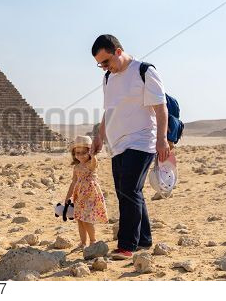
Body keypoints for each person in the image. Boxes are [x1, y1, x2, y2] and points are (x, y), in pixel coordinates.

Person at [89, 34, 170, 260]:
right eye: (100, 64)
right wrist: (99, 137)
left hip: (142, 140)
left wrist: (162, 139)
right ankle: (143, 239)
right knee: (128, 191)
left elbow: (161, 108)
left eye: (106, 62)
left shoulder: (144, 71)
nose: (104, 67)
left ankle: (127, 245)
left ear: (118, 51)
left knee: (129, 190)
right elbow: (109, 111)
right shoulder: (108, 78)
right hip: (118, 145)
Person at [65, 135, 108, 251]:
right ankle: (83, 242)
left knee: (87, 219)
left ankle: (93, 241)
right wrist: (68, 196)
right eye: (77, 153)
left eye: (84, 152)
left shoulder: (91, 164)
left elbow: (93, 161)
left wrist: (93, 155)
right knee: (79, 218)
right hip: (79, 195)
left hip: (90, 195)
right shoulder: (76, 167)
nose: (80, 156)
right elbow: (73, 182)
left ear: (89, 152)